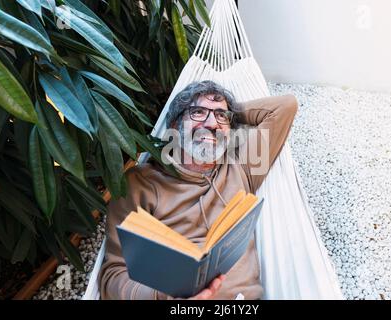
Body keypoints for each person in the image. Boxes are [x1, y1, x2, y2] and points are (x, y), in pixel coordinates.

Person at [98, 80, 298, 300]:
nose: (212, 123)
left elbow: (285, 106)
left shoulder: (241, 168)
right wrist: (164, 296)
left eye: (221, 116)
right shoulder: (142, 183)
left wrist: (230, 114)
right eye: (198, 112)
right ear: (174, 125)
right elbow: (113, 277)